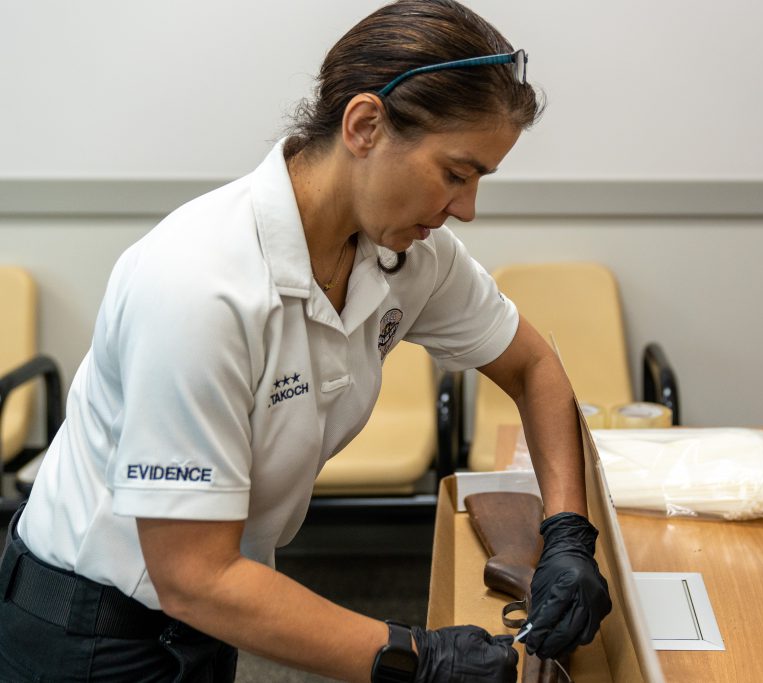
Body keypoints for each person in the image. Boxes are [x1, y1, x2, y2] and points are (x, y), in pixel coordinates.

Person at [0, 1, 611, 681]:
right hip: (88, 631)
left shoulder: (409, 256)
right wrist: (420, 657)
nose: (465, 207)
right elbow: (192, 576)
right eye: (456, 173)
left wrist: (568, 535)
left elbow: (532, 366)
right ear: (364, 125)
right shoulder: (200, 284)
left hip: (204, 618)